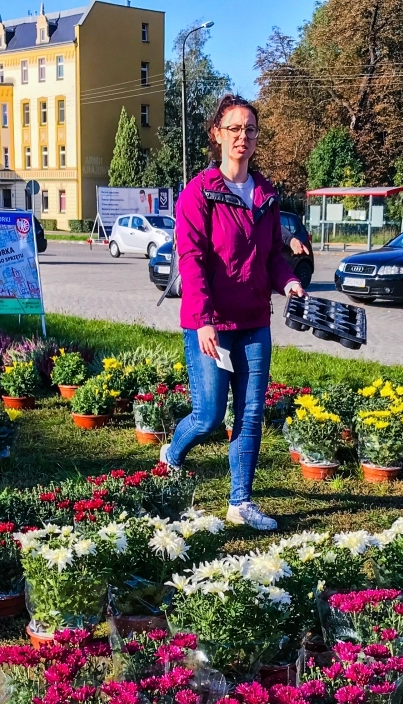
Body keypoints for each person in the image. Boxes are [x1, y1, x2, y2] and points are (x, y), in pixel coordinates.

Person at [164, 94, 307, 532]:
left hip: (254, 324)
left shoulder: (265, 195)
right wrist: (203, 318)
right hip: (210, 324)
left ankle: (240, 501)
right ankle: (172, 453)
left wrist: (289, 281)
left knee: (249, 413)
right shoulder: (199, 193)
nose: (243, 137)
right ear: (217, 134)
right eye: (234, 128)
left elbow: (271, 257)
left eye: (250, 129)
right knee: (208, 415)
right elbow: (191, 260)